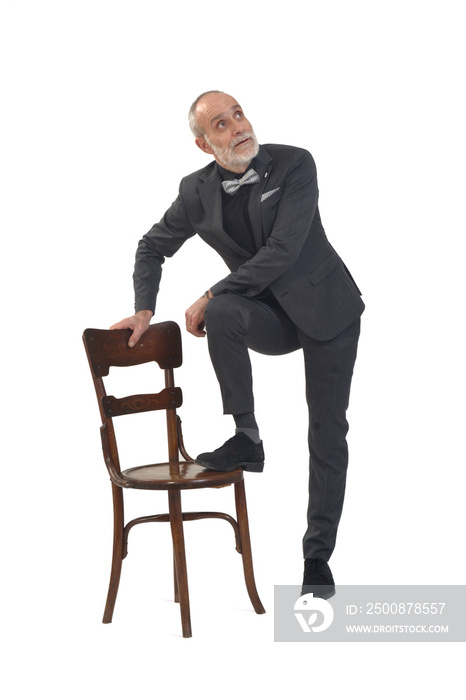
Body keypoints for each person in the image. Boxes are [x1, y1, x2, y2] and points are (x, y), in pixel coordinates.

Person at [111, 90, 365, 597]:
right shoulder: (195, 192)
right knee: (225, 310)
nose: (239, 127)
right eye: (221, 125)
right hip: (268, 315)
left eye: (239, 114)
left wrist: (208, 292)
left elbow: (283, 249)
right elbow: (151, 246)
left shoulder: (295, 163)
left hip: (326, 310)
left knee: (326, 432)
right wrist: (144, 308)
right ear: (205, 146)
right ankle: (247, 438)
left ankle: (317, 560)